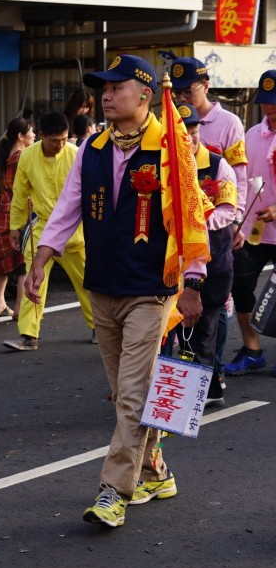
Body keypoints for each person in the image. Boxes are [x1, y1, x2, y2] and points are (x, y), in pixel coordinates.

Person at [25, 55, 206, 528]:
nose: (105, 95)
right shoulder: (94, 145)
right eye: (102, 88)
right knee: (124, 394)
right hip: (102, 285)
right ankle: (155, 469)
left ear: (144, 95)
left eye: (116, 87)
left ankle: (113, 492)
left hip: (151, 287)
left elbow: (189, 215)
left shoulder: (171, 143)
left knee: (131, 394)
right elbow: (69, 204)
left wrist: (193, 281)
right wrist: (43, 256)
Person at [170, 56, 248, 381]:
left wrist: (236, 220)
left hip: (214, 230)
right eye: (178, 93)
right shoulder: (170, 120)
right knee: (179, 315)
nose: (183, 99)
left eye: (188, 91)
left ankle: (212, 374)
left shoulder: (228, 123)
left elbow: (239, 178)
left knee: (214, 307)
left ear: (205, 86)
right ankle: (177, 377)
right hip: (179, 244)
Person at [3, 111, 94, 351]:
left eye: (64, 139)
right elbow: (20, 194)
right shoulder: (27, 157)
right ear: (41, 135)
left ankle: (99, 327)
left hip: (77, 231)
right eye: (55, 140)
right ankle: (28, 335)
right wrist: (15, 226)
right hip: (42, 228)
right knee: (34, 280)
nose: (61, 144)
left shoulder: (76, 155)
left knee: (88, 283)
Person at [172, 104, 237, 407]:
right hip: (173, 263)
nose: (192, 140)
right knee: (168, 327)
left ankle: (199, 392)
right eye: (185, 135)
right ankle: (168, 388)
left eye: (195, 133)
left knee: (204, 326)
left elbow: (228, 209)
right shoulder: (164, 166)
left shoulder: (217, 164)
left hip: (213, 260)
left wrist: (198, 223)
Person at [224, 70, 276, 378]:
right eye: (266, 102)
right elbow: (240, 179)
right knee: (241, 285)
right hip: (254, 229)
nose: (270, 108)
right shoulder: (252, 135)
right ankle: (252, 348)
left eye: (275, 102)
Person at [0, 117, 35, 318]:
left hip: (4, 207)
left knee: (2, 259)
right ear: (20, 135)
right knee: (23, 261)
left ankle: (0, 303)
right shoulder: (22, 156)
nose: (34, 135)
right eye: (31, 131)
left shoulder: (10, 153)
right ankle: (20, 309)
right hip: (16, 209)